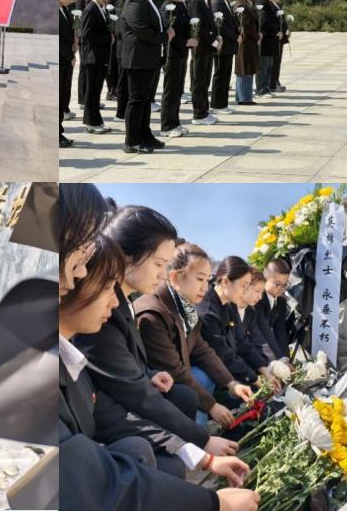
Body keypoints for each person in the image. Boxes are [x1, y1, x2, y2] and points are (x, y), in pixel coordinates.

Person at [57, 185, 260, 511]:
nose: (78, 273)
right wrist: (212, 498)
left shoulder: (128, 314)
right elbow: (92, 471)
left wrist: (203, 455)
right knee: (147, 446)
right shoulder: (144, 311)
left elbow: (113, 411)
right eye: (79, 259)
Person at [76, 205, 241, 459]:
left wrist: (150, 374)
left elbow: (198, 349)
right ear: (126, 256)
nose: (162, 274)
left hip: (125, 399)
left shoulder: (126, 301)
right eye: (159, 264)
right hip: (109, 412)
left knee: (184, 397)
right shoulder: (105, 311)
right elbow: (133, 392)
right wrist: (203, 441)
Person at [136, 242, 254, 429]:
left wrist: (232, 384)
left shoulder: (185, 307)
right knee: (196, 385)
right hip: (153, 394)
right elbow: (174, 370)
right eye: (200, 279)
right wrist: (212, 406)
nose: (205, 288)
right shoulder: (153, 315)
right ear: (175, 277)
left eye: (207, 280)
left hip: (177, 385)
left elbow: (202, 349)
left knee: (203, 377)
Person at [118, 0, 175, 154]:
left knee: (145, 100)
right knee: (136, 100)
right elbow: (141, 29)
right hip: (138, 60)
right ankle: (132, 140)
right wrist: (164, 37)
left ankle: (145, 134)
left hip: (149, 59)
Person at [199, 256, 278, 388]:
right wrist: (254, 379)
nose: (245, 291)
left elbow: (241, 342)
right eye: (243, 286)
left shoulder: (228, 306)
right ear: (225, 282)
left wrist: (264, 370)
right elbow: (224, 354)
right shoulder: (208, 312)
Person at [159, 0, 194, 137]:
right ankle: (167, 125)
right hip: (172, 54)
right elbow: (170, 33)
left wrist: (192, 36)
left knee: (178, 90)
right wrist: (185, 41)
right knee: (170, 91)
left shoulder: (181, 5)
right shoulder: (167, 7)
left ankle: (175, 122)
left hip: (182, 54)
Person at [80, 0, 114, 134]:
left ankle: (97, 120)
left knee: (97, 90)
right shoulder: (90, 9)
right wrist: (107, 38)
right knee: (92, 91)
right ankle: (90, 122)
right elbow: (87, 35)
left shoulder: (101, 8)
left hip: (100, 56)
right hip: (92, 57)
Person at [188, 0, 222, 124]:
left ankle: (204, 110)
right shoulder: (196, 0)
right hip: (201, 46)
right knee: (199, 80)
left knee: (205, 80)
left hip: (207, 46)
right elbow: (199, 26)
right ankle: (198, 114)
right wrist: (213, 41)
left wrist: (217, 38)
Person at [211, 0, 239, 113]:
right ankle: (217, 104)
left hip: (229, 45)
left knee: (226, 74)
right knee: (220, 74)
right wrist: (235, 36)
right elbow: (219, 25)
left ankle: (223, 103)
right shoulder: (217, 1)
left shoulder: (225, 1)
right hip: (223, 44)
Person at [255, 259, 292, 361]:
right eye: (278, 284)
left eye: (285, 284)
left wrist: (286, 358)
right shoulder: (257, 299)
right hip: (254, 347)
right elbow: (265, 330)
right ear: (265, 278)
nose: (282, 288)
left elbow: (280, 332)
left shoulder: (281, 302)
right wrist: (280, 359)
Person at [233, 0, 260, 106]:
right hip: (245, 42)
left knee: (247, 69)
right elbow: (246, 24)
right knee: (244, 70)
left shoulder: (247, 3)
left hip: (249, 42)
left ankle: (244, 97)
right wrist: (256, 35)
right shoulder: (240, 4)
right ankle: (244, 98)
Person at [59, 0, 78, 148]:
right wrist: (70, 56)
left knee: (64, 96)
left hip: (67, 60)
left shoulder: (65, 9)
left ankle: (59, 131)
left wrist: (75, 42)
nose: (72, 1)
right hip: (61, 60)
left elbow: (70, 31)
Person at [255, 0, 281, 98]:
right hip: (265, 40)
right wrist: (274, 31)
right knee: (263, 66)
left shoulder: (267, 2)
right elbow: (263, 22)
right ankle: (260, 90)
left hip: (271, 40)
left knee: (269, 66)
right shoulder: (260, 2)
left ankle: (266, 88)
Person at [271, 0, 288, 93]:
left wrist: (287, 30)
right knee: (275, 62)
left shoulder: (278, 6)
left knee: (278, 61)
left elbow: (282, 21)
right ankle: (273, 82)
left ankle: (276, 80)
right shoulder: (271, 6)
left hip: (280, 38)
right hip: (275, 38)